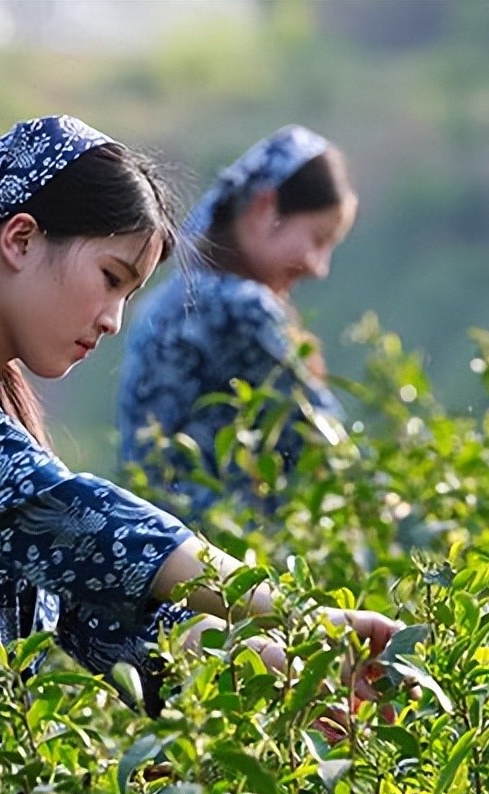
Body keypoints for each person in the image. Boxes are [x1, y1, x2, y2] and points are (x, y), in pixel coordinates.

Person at [0, 116, 400, 794]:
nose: (114, 318)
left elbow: (104, 615)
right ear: (21, 239)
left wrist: (284, 674)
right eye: (111, 277)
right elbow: (81, 524)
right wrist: (299, 616)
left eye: (129, 293)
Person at [117, 125, 357, 521]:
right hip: (222, 557)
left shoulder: (179, 297)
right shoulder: (239, 308)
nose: (319, 267)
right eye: (318, 238)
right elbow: (330, 450)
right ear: (266, 210)